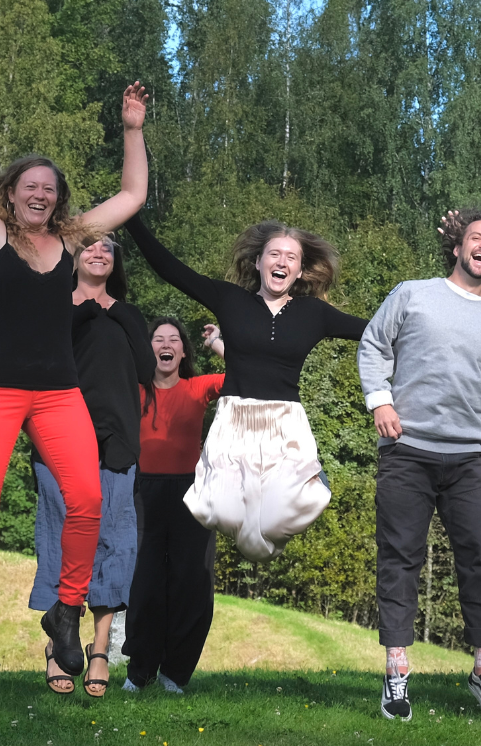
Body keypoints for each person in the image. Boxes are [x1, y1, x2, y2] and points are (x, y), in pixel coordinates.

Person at [0, 51, 151, 690]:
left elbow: (133, 195)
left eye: (49, 189)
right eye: (31, 187)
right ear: (11, 194)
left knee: (87, 500)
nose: (41, 195)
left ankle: (67, 613)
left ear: (58, 200)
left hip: (57, 394)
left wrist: (132, 130)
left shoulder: (74, 240)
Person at [358, 209, 481, 724]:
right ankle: (397, 673)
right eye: (476, 237)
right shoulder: (412, 294)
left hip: (470, 460)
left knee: (480, 561)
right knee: (401, 557)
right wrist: (380, 401)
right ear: (457, 246)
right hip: (407, 451)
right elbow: (373, 345)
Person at [125, 216, 366, 561]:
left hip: (285, 423)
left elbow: (374, 332)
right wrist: (132, 218)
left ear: (299, 271)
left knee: (286, 515)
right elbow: (169, 268)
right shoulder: (230, 299)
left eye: (291, 257)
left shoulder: (315, 314)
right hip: (234, 419)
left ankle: (315, 480)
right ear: (258, 262)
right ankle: (255, 540)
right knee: (218, 511)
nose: (281, 262)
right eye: (274, 254)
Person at [29, 235, 154, 696]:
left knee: (115, 543)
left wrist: (115, 309)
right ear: (73, 258)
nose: (99, 253)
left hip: (117, 443)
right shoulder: (54, 306)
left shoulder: (126, 313)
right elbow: (40, 356)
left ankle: (99, 648)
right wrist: (86, 307)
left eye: (108, 248)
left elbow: (146, 368)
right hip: (58, 440)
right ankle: (60, 640)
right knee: (61, 539)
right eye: (89, 247)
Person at [123, 319, 227, 694]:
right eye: (157, 339)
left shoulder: (198, 387)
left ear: (183, 352)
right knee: (144, 584)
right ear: (147, 349)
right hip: (142, 494)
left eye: (173, 340)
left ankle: (175, 674)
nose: (165, 345)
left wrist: (217, 343)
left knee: (191, 583)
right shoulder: (132, 391)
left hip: (192, 494)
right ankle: (139, 672)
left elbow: (247, 375)